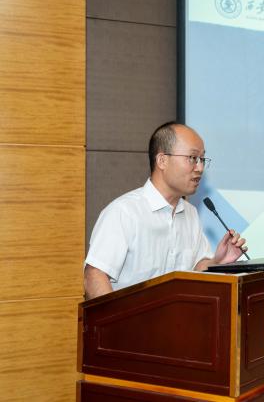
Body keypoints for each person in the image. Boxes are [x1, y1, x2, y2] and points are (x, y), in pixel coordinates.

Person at [83, 122, 246, 299]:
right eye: (192, 158)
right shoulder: (123, 212)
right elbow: (94, 276)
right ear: (162, 160)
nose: (200, 168)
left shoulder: (190, 213)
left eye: (202, 159)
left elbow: (195, 269)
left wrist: (216, 262)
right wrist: (118, 316)